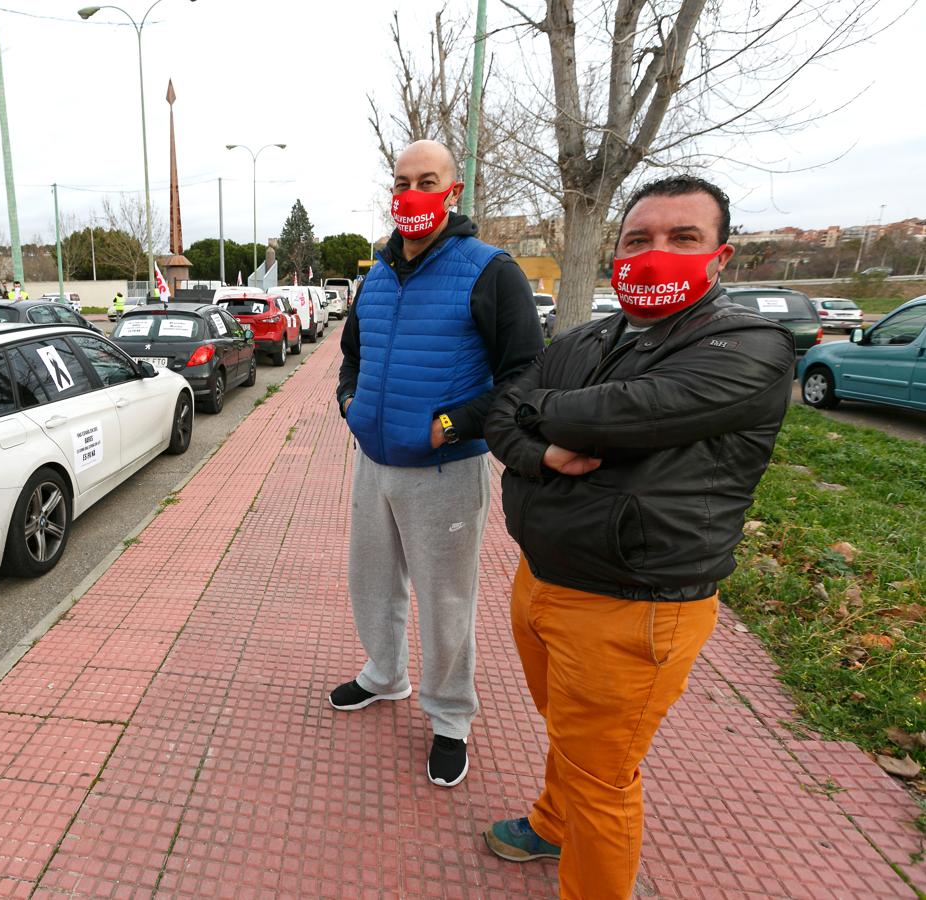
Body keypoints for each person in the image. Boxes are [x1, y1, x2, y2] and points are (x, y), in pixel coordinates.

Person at [480, 176, 795, 899]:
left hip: (635, 603)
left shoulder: (748, 347)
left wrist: (544, 412)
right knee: (569, 734)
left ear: (721, 256)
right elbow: (504, 415)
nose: (655, 254)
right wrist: (540, 442)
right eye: (638, 240)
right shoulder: (590, 335)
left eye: (682, 238)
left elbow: (619, 415)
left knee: (602, 776)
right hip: (543, 580)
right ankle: (551, 823)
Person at [331, 139, 543, 787]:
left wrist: (452, 424)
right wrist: (350, 401)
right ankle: (385, 675)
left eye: (427, 180)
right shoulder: (377, 271)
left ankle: (450, 716)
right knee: (371, 581)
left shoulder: (489, 270)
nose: (412, 193)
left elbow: (527, 371)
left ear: (453, 191)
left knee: (445, 600)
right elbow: (352, 354)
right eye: (401, 182)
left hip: (448, 470)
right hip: (375, 461)